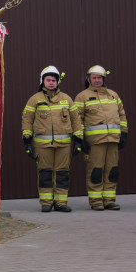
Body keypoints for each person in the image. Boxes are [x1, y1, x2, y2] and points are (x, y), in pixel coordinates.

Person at [22, 66, 84, 213]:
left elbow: (76, 120)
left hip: (64, 145)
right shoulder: (34, 99)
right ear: (42, 81)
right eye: (48, 80)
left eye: (54, 80)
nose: (51, 82)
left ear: (57, 82)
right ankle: (46, 203)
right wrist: (27, 141)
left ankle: (61, 203)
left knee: (62, 173)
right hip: (42, 145)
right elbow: (26, 120)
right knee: (45, 173)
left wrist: (79, 140)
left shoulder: (66, 99)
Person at [75, 65, 128, 210]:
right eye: (94, 78)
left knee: (112, 170)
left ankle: (109, 200)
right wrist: (80, 138)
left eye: (99, 78)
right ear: (88, 79)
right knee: (95, 171)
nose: (97, 80)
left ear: (103, 79)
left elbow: (121, 114)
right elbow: (76, 118)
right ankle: (96, 201)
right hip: (95, 142)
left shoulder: (113, 95)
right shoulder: (82, 96)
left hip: (113, 140)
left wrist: (124, 132)